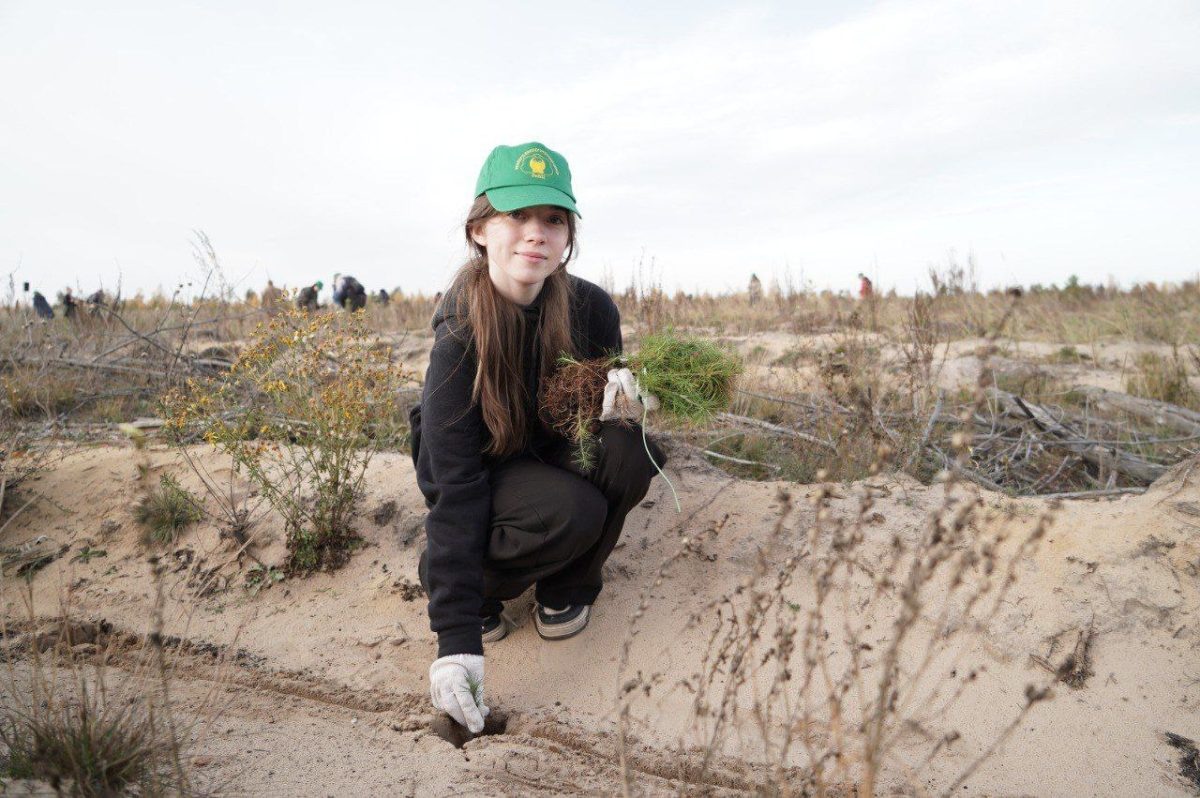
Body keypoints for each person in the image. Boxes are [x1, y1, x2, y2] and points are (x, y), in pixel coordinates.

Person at [411, 142, 666, 735]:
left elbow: (597, 409)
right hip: (481, 472)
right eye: (517, 216)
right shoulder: (459, 339)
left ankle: (566, 588)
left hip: (544, 453)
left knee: (634, 449)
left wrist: (628, 402)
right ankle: (472, 587)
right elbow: (455, 485)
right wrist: (457, 641)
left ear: (568, 234)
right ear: (479, 230)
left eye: (553, 219)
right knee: (570, 510)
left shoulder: (590, 308)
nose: (536, 233)